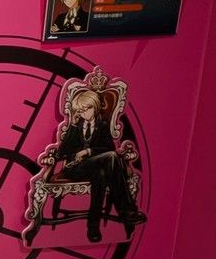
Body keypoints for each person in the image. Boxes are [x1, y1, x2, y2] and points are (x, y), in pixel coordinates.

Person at [54, 89, 147, 243]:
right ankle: (126, 209)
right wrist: (73, 126)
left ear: (95, 107)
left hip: (95, 167)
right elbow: (61, 152)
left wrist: (88, 151)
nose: (84, 113)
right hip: (75, 169)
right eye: (81, 110)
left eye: (87, 108)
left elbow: (109, 147)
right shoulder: (75, 127)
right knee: (112, 157)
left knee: (102, 174)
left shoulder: (102, 126)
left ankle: (93, 227)